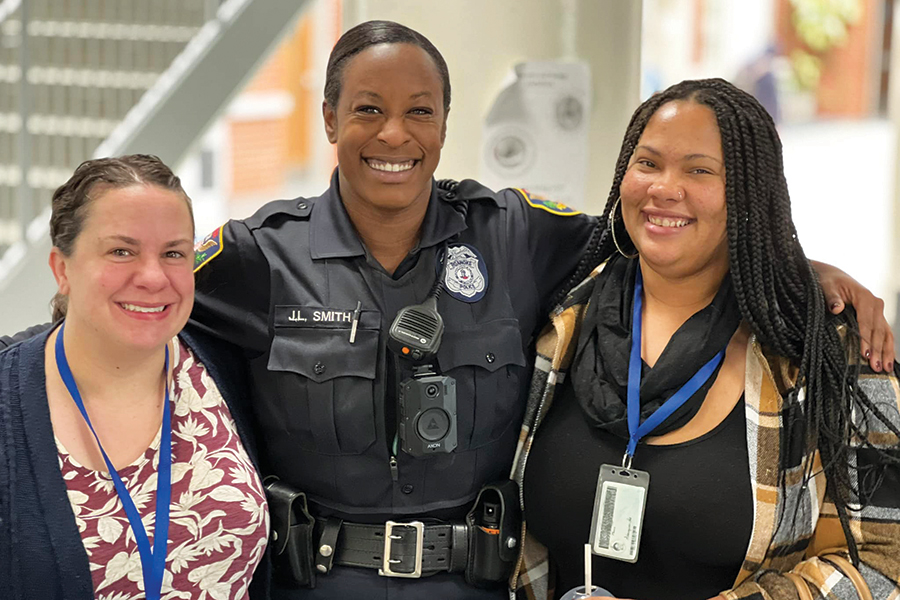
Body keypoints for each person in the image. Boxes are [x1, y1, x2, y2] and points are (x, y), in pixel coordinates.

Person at [0, 21, 890, 600]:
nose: (394, 135)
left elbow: (655, 237)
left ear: (444, 122)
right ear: (329, 118)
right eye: (369, 111)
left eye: (419, 111)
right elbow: (137, 296)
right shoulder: (257, 257)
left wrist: (801, 266)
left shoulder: (513, 235)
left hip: (482, 584)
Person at [513, 79, 900, 600]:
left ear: (749, 195)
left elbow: (886, 561)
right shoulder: (560, 315)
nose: (665, 188)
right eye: (648, 163)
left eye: (700, 171)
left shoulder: (825, 349)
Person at [0, 155, 269, 600]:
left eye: (173, 253)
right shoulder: (12, 401)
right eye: (121, 251)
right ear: (62, 269)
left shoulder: (225, 367)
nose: (152, 276)